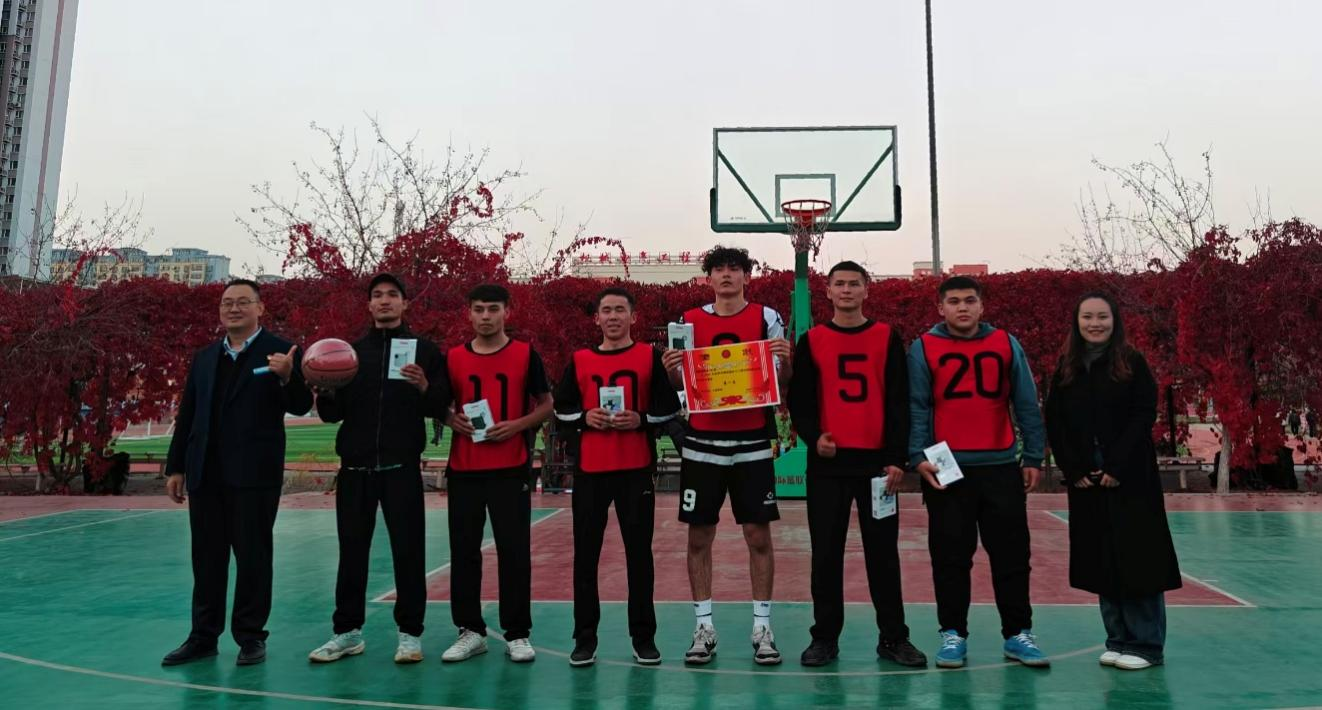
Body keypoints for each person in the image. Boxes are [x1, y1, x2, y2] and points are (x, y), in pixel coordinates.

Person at [162, 279, 313, 667]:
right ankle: (203, 636)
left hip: (254, 474)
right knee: (206, 559)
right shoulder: (205, 358)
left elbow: (300, 405)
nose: (233, 308)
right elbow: (188, 414)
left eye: (243, 302)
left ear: (260, 308)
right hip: (206, 473)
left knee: (253, 558)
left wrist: (288, 376)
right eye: (227, 303)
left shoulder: (281, 351)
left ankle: (250, 636)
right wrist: (176, 466)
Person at [788, 261, 927, 668]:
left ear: (867, 290)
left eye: (854, 284)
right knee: (825, 555)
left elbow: (899, 401)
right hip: (828, 465)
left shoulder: (886, 337)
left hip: (877, 467)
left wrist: (896, 458)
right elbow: (800, 401)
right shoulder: (812, 340)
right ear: (828, 291)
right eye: (840, 284)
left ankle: (894, 638)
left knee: (883, 556)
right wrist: (814, 437)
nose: (847, 290)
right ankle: (824, 638)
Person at [307, 273, 451, 664]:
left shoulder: (424, 352)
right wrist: (324, 388)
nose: (384, 300)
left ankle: (410, 634)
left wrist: (424, 387)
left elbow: (439, 405)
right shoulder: (348, 354)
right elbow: (332, 415)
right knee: (352, 553)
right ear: (369, 305)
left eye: (392, 295)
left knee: (409, 552)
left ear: (405, 303)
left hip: (401, 468)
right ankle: (347, 632)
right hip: (355, 470)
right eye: (377, 295)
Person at [908, 276, 1050, 669]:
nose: (962, 308)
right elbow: (917, 405)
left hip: (1000, 465)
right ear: (941, 308)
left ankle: (1018, 633)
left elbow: (1026, 401)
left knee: (1012, 555)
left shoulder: (1005, 343)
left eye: (970, 300)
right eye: (954, 301)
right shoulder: (924, 347)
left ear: (982, 306)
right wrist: (917, 456)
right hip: (947, 469)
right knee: (950, 557)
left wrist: (1033, 456)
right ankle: (953, 633)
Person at [660, 246, 792, 665]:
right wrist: (671, 368)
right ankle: (703, 627)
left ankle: (762, 627)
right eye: (719, 269)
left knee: (758, 535)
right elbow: (678, 383)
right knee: (699, 535)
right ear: (709, 278)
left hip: (752, 440)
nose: (727, 275)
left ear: (746, 277)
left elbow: (781, 382)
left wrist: (785, 363)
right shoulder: (687, 322)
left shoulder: (767, 317)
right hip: (703, 442)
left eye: (735, 269)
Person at [1045, 291, 1182, 671]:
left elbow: (1143, 415)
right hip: (1086, 479)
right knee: (1101, 557)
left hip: (1130, 476)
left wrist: (1117, 466)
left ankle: (1146, 645)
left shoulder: (1132, 362)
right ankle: (1118, 639)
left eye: (1102, 316)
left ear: (1115, 320)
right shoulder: (1067, 367)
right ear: (1077, 322)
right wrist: (1074, 469)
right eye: (1087, 316)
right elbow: (1055, 420)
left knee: (1138, 558)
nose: (1095, 323)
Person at [553, 287, 681, 666]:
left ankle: (644, 638)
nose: (612, 316)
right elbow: (561, 408)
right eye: (606, 310)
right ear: (597, 318)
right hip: (591, 472)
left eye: (619, 310)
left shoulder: (648, 357)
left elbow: (667, 408)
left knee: (639, 556)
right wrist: (585, 417)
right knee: (586, 558)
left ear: (633, 317)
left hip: (635, 471)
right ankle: (584, 638)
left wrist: (640, 419)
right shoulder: (579, 360)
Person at [440, 284, 553, 663]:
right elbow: (439, 404)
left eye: (492, 309)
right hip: (464, 469)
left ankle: (517, 633)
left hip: (510, 468)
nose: (485, 316)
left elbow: (547, 404)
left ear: (507, 312)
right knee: (464, 552)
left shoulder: (525, 354)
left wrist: (517, 425)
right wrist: (450, 419)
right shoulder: (453, 357)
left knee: (513, 551)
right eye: (478, 309)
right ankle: (470, 630)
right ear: (469, 314)